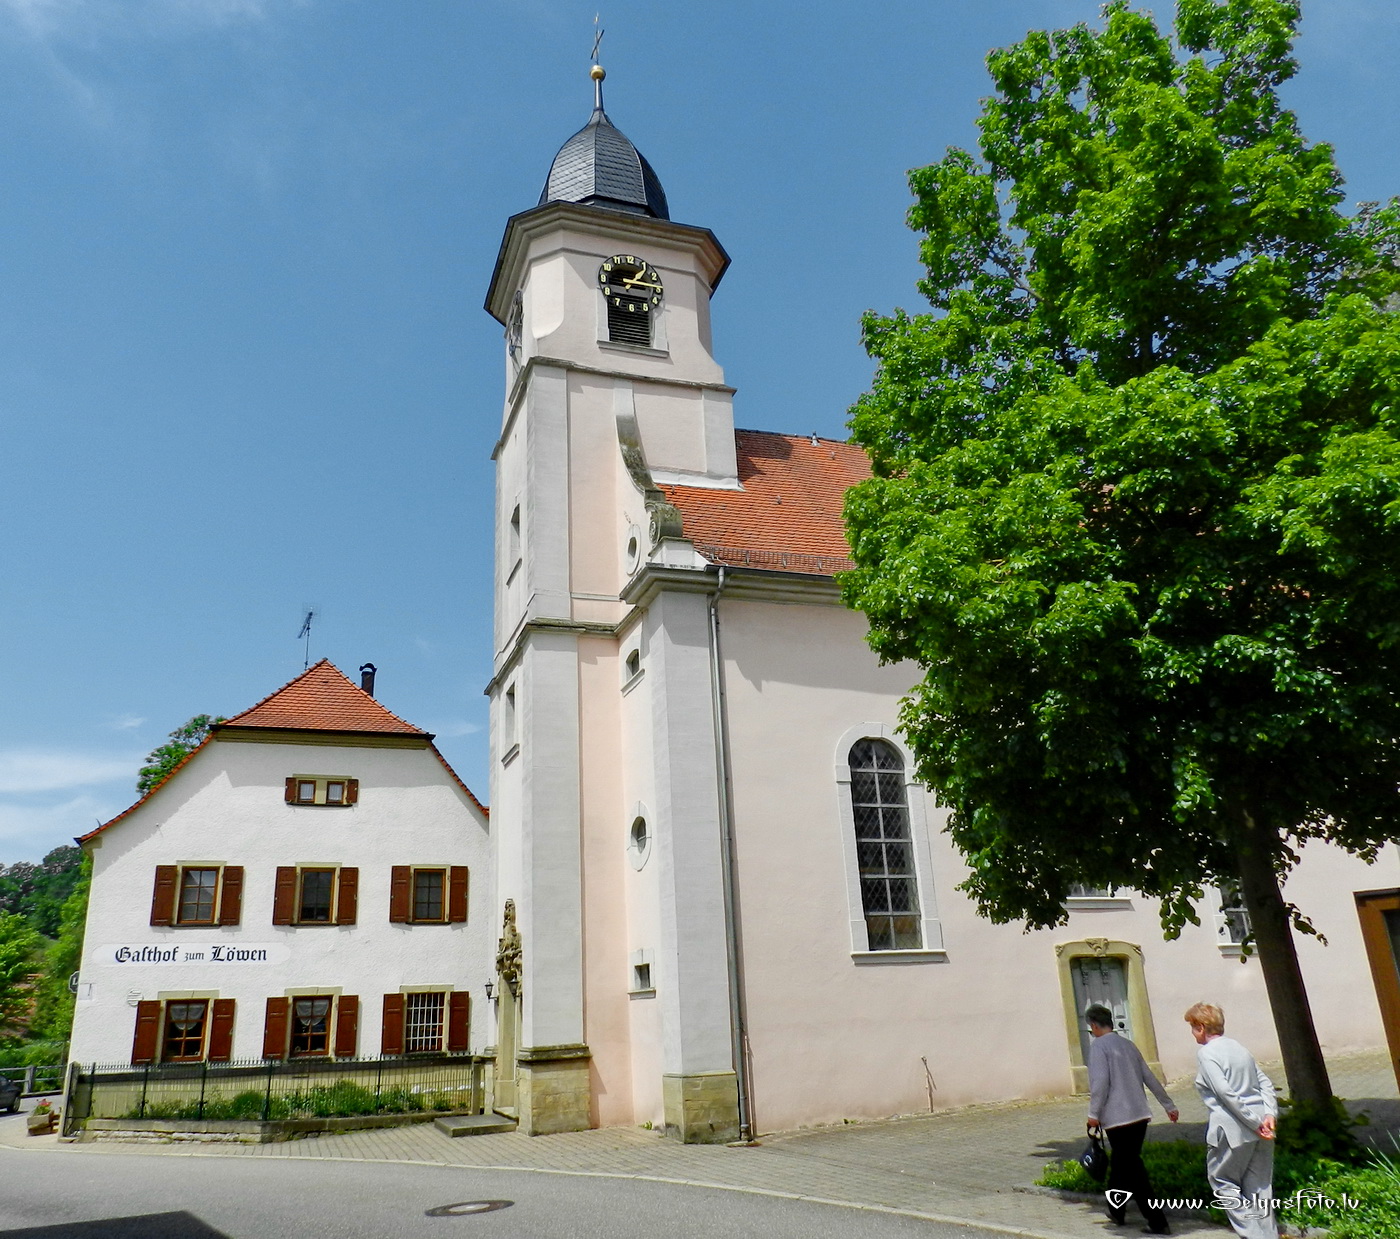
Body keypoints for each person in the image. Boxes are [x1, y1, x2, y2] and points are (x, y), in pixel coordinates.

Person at [1185, 1002, 1278, 1239]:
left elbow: (1225, 1093)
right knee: (1260, 1188)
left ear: (1202, 1027)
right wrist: (1269, 1115)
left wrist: (1253, 1122)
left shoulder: (1207, 1053)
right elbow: (1265, 1083)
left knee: (1223, 1183)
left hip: (1231, 1130)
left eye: (1193, 1027)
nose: (1192, 1032)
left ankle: (1254, 1236)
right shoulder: (1238, 1048)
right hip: (1262, 1129)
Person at [1085, 1003, 1178, 1234]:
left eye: (1091, 1027)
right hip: (1139, 1115)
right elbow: (1149, 1076)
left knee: (1133, 1169)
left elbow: (1100, 1083)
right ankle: (1116, 1211)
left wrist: (1093, 1115)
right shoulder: (1128, 1045)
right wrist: (1168, 1105)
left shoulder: (1099, 1047)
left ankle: (1157, 1222)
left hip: (1117, 1118)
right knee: (1121, 1164)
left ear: (1094, 1026)